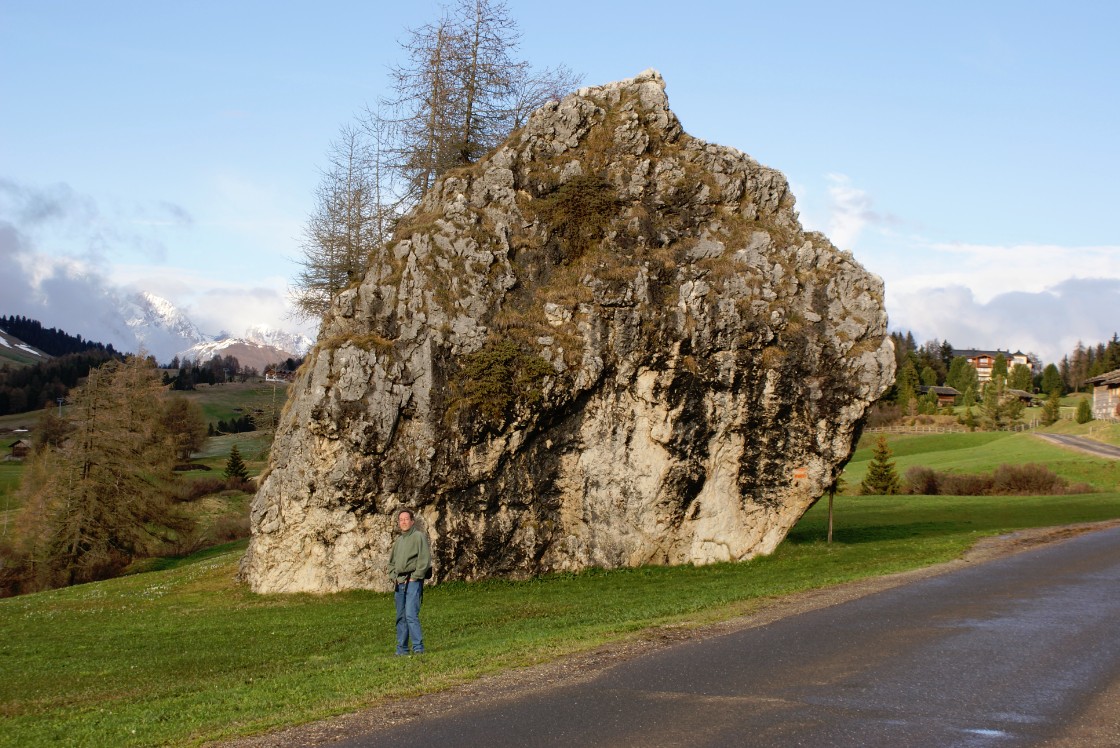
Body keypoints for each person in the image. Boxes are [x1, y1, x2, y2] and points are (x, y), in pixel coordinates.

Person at [388, 508, 431, 655]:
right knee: (401, 616)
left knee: (411, 613)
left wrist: (415, 576)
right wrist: (394, 577)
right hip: (399, 582)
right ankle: (402, 649)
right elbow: (391, 563)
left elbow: (424, 559)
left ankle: (418, 647)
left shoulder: (419, 536)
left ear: (412, 521)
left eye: (406, 519)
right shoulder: (398, 541)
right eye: (401, 520)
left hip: (413, 580)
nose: (404, 522)